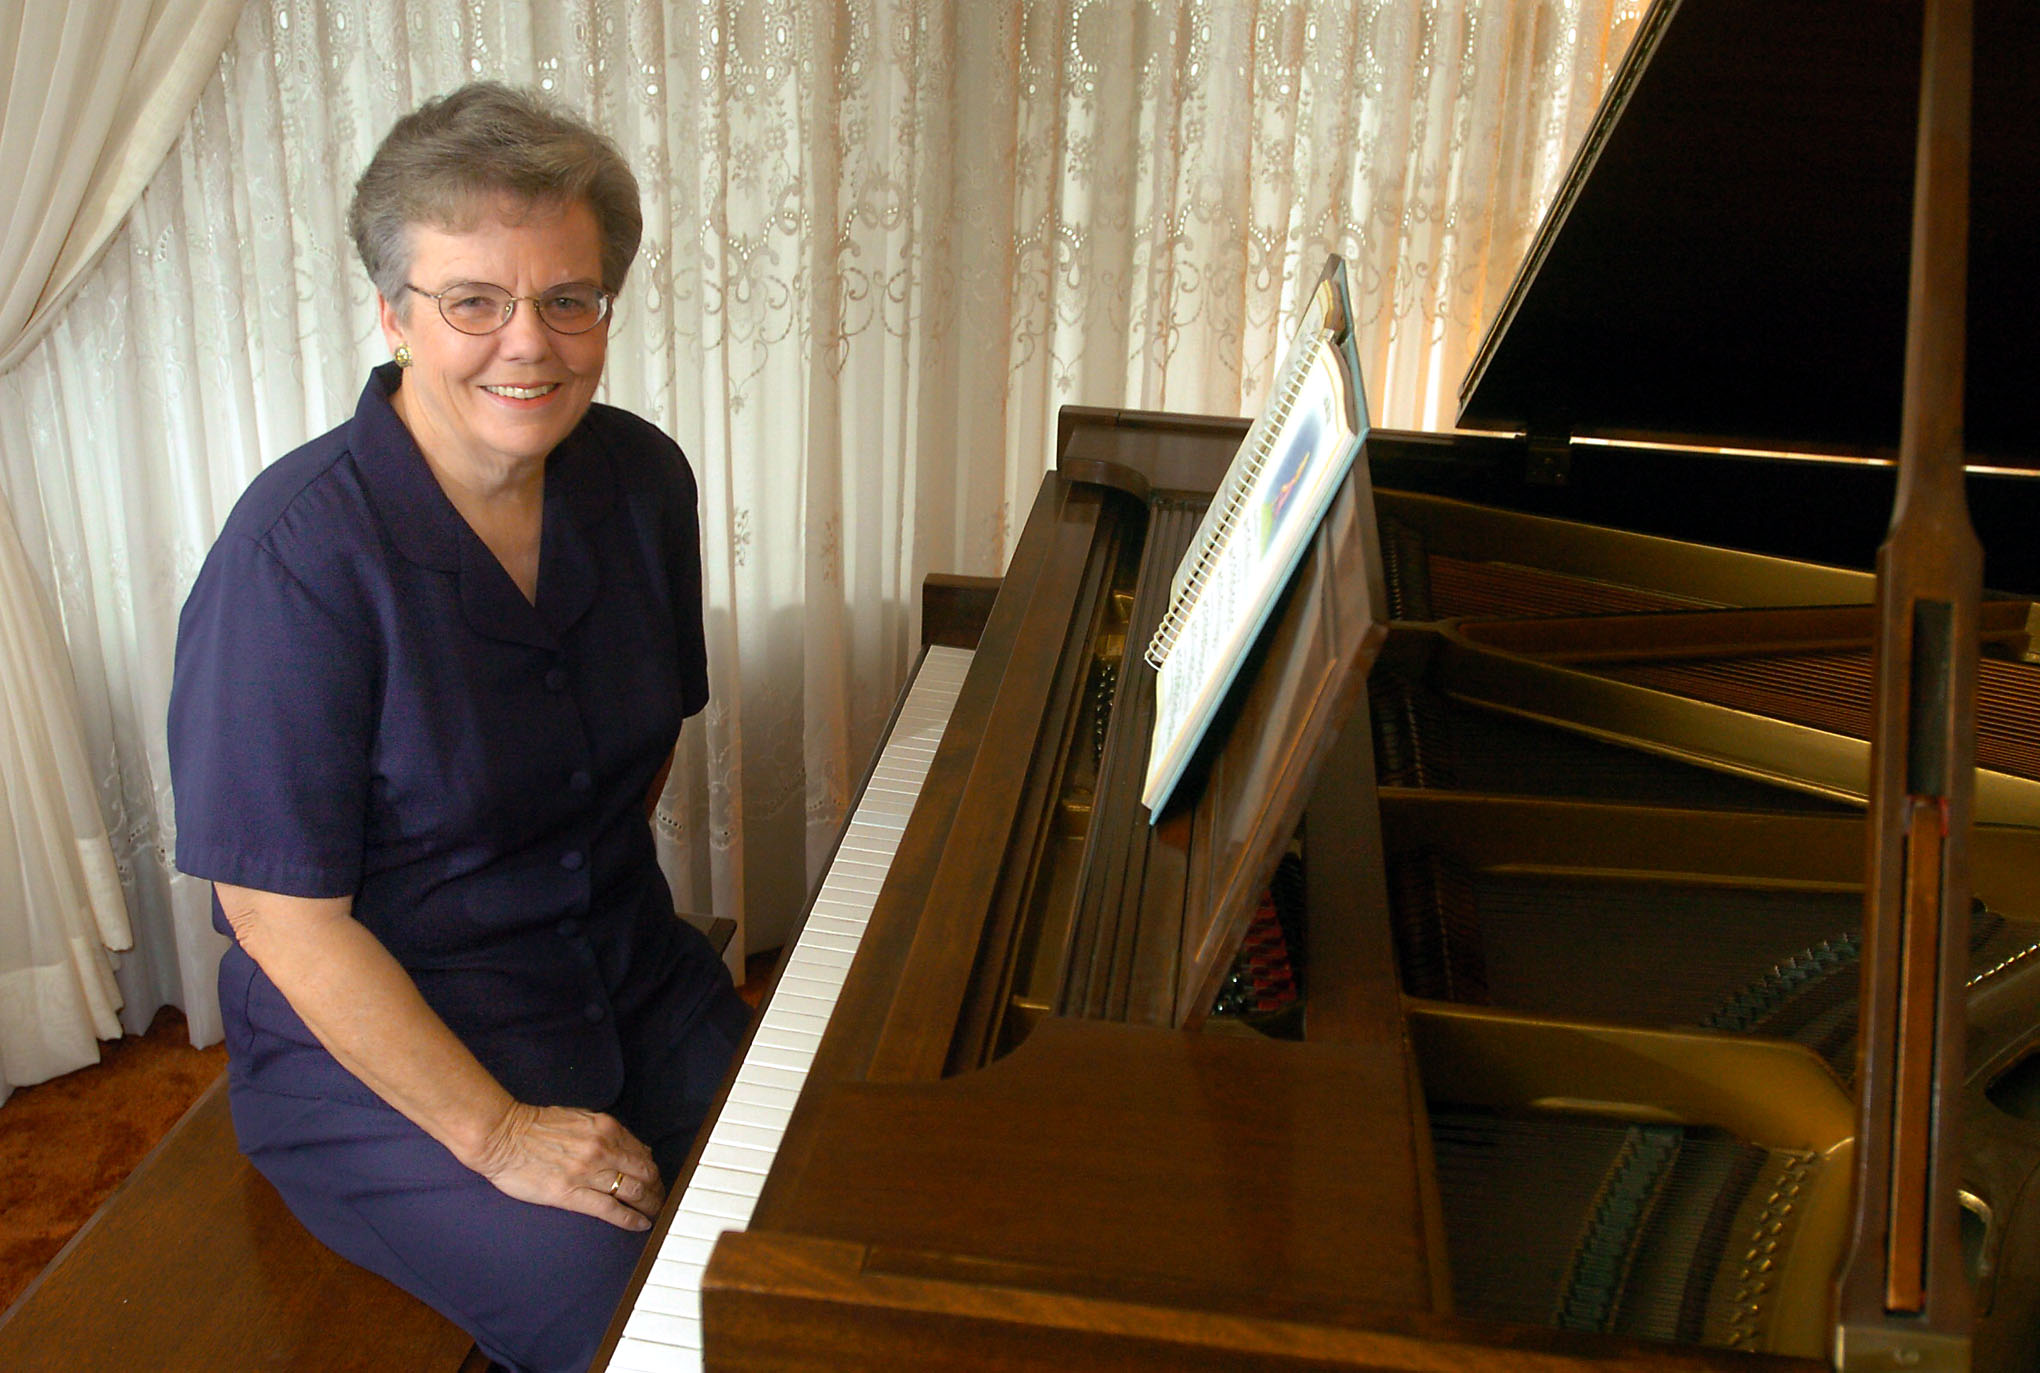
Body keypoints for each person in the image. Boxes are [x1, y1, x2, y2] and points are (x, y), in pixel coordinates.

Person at [167, 83, 749, 1373]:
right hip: (392, 1063)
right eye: (472, 301)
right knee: (655, 1331)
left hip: (626, 976)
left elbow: (643, 742)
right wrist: (496, 1134)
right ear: (392, 314)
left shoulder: (644, 479)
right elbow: (275, 916)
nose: (526, 343)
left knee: (818, 1202)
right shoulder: (294, 555)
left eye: (567, 299)